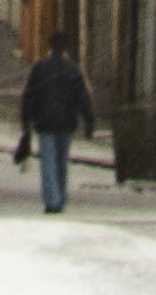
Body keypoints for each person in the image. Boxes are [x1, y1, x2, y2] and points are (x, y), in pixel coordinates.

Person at [14, 36, 96, 213]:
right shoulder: (72, 70)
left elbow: (29, 97)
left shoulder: (40, 69)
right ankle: (60, 197)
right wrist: (89, 120)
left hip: (44, 122)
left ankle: (53, 200)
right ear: (65, 48)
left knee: (48, 161)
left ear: (49, 47)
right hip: (66, 122)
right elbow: (83, 97)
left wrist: (26, 122)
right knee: (61, 161)